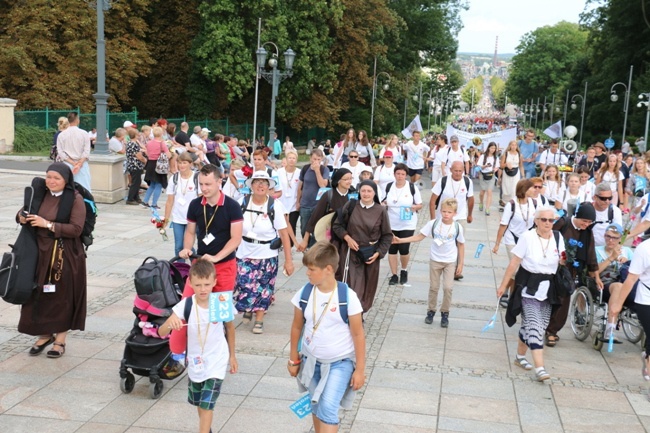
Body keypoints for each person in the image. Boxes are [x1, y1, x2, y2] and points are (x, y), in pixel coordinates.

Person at [288, 242, 366, 433]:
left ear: (328, 269)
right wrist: (293, 359)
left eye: (312, 269)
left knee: (329, 408)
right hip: (311, 361)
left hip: (340, 363)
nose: (307, 273)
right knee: (316, 406)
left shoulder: (348, 297)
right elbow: (297, 327)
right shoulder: (305, 293)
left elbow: (358, 334)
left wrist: (360, 370)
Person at [159, 259, 237, 433]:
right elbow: (161, 332)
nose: (203, 289)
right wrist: (170, 323)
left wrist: (232, 356)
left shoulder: (221, 302)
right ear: (191, 284)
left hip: (217, 359)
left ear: (214, 282)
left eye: (207, 284)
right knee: (200, 403)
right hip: (196, 361)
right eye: (198, 285)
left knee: (208, 404)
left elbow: (230, 329)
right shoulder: (186, 305)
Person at [18, 162, 87, 358]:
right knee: (37, 292)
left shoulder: (75, 199)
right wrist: (21, 217)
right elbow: (22, 211)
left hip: (64, 254)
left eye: (56, 178)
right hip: (38, 252)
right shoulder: (39, 193)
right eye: (49, 176)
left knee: (61, 296)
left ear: (66, 181)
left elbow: (76, 229)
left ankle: (60, 340)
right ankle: (44, 334)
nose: (51, 181)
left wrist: (47, 224)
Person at [497, 207, 566, 382]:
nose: (548, 223)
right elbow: (514, 263)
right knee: (534, 327)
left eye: (551, 220)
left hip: (549, 290)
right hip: (528, 288)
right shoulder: (528, 237)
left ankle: (520, 357)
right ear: (536, 221)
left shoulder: (558, 237)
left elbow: (562, 260)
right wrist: (503, 286)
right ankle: (540, 368)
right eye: (544, 220)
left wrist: (565, 259)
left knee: (536, 326)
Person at [234, 171, 294, 333]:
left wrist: (289, 260)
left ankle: (259, 317)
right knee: (245, 284)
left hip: (267, 254)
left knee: (264, 288)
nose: (260, 185)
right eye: (257, 182)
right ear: (251, 185)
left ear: (269, 187)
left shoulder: (275, 205)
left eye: (264, 182)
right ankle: (248, 308)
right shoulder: (242, 203)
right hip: (245, 251)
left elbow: (283, 234)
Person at [394, 198, 465, 328]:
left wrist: (460, 264)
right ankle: (431, 311)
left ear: (454, 213)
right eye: (444, 211)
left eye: (449, 212)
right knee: (434, 287)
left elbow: (461, 244)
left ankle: (445, 313)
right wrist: (401, 240)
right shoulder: (433, 223)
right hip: (435, 260)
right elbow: (419, 236)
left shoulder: (457, 227)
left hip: (450, 261)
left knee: (448, 287)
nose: (446, 214)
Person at [545, 202, 603, 347]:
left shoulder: (587, 232)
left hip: (569, 270)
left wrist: (596, 276)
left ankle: (552, 331)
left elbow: (591, 256)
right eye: (584, 221)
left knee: (563, 299)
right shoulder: (563, 224)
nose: (586, 224)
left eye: (590, 222)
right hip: (549, 265)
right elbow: (545, 236)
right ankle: (538, 323)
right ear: (577, 216)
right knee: (545, 296)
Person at [332, 180, 392, 313]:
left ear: (374, 193)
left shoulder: (381, 210)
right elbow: (337, 226)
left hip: (371, 254)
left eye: (369, 191)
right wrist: (347, 238)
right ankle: (352, 315)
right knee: (353, 286)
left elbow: (387, 236)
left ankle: (360, 312)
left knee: (368, 287)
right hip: (351, 253)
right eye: (363, 190)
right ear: (359, 192)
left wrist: (379, 253)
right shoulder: (352, 205)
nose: (366, 194)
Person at [297, 169, 356, 266]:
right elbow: (315, 217)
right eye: (346, 179)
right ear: (338, 180)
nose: (349, 181)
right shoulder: (328, 195)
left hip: (349, 236)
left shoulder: (354, 194)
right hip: (331, 236)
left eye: (351, 178)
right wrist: (305, 240)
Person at [493, 179, 536, 307]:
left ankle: (506, 291)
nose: (535, 190)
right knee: (516, 268)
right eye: (532, 187)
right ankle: (512, 297)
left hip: (526, 239)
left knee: (519, 269)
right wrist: (497, 243)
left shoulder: (534, 203)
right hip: (512, 238)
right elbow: (503, 225)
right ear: (525, 189)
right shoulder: (511, 205)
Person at [381, 163, 423, 286]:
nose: (400, 176)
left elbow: (420, 204)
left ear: (406, 175)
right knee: (392, 249)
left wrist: (414, 207)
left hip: (407, 223)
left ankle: (403, 270)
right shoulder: (389, 187)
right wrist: (383, 204)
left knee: (404, 249)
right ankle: (394, 274)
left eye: (403, 174)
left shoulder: (411, 187)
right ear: (394, 174)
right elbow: (383, 200)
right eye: (398, 174)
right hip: (391, 223)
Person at [595, 223, 634, 342]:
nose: (610, 240)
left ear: (620, 239)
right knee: (618, 287)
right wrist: (611, 258)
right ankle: (610, 328)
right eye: (608, 236)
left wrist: (627, 262)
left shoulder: (627, 251)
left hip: (625, 284)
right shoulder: (597, 250)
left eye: (614, 238)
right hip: (605, 284)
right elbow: (593, 272)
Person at [163, 152, 202, 256]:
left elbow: (201, 199)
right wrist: (166, 219)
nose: (181, 165)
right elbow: (169, 201)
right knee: (179, 246)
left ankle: (196, 265)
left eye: (184, 163)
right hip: (178, 217)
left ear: (190, 164)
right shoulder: (174, 179)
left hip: (193, 218)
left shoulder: (197, 177)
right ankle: (180, 269)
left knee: (196, 245)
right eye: (179, 163)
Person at [297, 149, 330, 245]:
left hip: (318, 205)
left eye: (318, 159)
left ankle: (313, 249)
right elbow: (300, 187)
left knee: (317, 230)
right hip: (305, 204)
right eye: (314, 159)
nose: (316, 161)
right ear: (310, 158)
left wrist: (317, 171)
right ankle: (307, 246)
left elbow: (323, 185)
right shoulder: (305, 169)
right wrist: (298, 201)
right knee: (304, 229)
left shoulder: (324, 170)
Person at [56, 112, 92, 192]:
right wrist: (79, 163)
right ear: (77, 120)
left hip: (67, 164)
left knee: (68, 186)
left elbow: (61, 152)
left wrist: (72, 163)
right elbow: (86, 151)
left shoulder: (62, 135)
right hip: (82, 164)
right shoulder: (84, 133)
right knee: (84, 186)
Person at [141, 126, 173, 210]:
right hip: (159, 165)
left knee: (152, 184)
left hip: (150, 164)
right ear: (161, 133)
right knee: (159, 184)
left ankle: (145, 201)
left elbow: (147, 154)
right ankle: (154, 203)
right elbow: (168, 155)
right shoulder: (162, 143)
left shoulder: (149, 143)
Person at [278, 149, 301, 241]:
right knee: (281, 226)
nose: (291, 160)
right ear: (286, 159)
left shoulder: (299, 172)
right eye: (290, 158)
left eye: (294, 158)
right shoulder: (279, 172)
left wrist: (298, 202)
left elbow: (300, 188)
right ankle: (281, 243)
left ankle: (290, 245)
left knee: (292, 225)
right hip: (281, 203)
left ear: (296, 160)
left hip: (294, 204)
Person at [125, 129, 147, 205]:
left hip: (133, 165)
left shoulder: (130, 143)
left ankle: (136, 197)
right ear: (134, 135)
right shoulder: (133, 144)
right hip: (135, 166)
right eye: (137, 134)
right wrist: (145, 161)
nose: (139, 136)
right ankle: (130, 198)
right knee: (135, 183)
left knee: (137, 182)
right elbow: (139, 156)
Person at [477, 142, 500, 215]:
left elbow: (497, 167)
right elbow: (479, 166)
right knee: (482, 192)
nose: (493, 150)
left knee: (489, 191)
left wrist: (494, 169)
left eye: (494, 148)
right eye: (492, 148)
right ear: (488, 148)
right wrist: (485, 166)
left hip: (491, 175)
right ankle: (481, 202)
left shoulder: (496, 157)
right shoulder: (483, 156)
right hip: (483, 175)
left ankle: (487, 208)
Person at [500, 139, 523, 205]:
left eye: (515, 145)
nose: (513, 146)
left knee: (514, 188)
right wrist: (506, 164)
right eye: (512, 145)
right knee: (506, 188)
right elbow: (501, 165)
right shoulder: (506, 154)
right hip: (507, 172)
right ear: (510, 146)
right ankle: (505, 202)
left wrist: (523, 175)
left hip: (516, 172)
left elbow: (521, 165)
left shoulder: (519, 155)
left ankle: (513, 202)